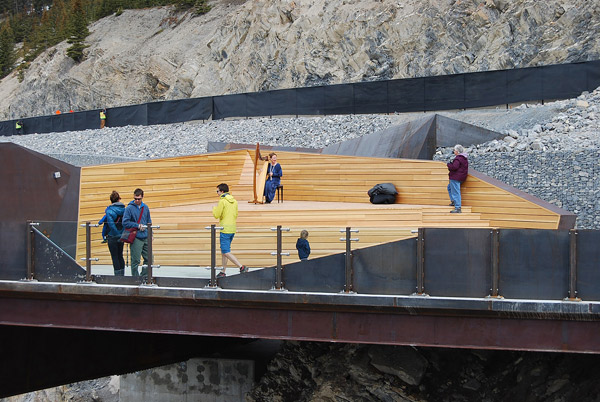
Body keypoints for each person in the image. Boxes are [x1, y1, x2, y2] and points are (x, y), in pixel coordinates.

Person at [212, 183, 247, 278]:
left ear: (222, 191)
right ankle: (223, 272)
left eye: (217, 191)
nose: (217, 193)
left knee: (226, 251)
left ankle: (241, 267)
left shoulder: (222, 201)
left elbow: (216, 215)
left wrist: (214, 209)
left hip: (224, 229)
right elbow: (235, 214)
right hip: (232, 228)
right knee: (224, 252)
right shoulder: (234, 201)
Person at [123, 188, 152, 277]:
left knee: (150, 258)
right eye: (135, 199)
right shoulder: (129, 208)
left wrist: (151, 234)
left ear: (142, 197)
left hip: (145, 235)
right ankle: (135, 278)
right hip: (136, 237)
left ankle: (144, 276)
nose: (137, 200)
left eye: (139, 199)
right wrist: (137, 225)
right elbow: (125, 222)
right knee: (135, 260)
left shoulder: (145, 207)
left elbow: (149, 221)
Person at [101, 191, 125, 276]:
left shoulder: (109, 211)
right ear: (119, 199)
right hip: (122, 236)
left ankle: (117, 277)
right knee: (120, 255)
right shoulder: (124, 209)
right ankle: (122, 275)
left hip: (112, 236)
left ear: (111, 200)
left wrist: (115, 233)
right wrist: (121, 234)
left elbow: (111, 224)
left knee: (114, 257)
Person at [447, 144, 469, 213]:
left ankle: (457, 207)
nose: (454, 152)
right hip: (461, 177)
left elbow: (454, 167)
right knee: (449, 188)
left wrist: (449, 165)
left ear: (457, 151)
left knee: (455, 192)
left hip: (455, 177)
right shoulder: (464, 158)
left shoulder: (457, 158)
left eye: (454, 150)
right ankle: (454, 201)